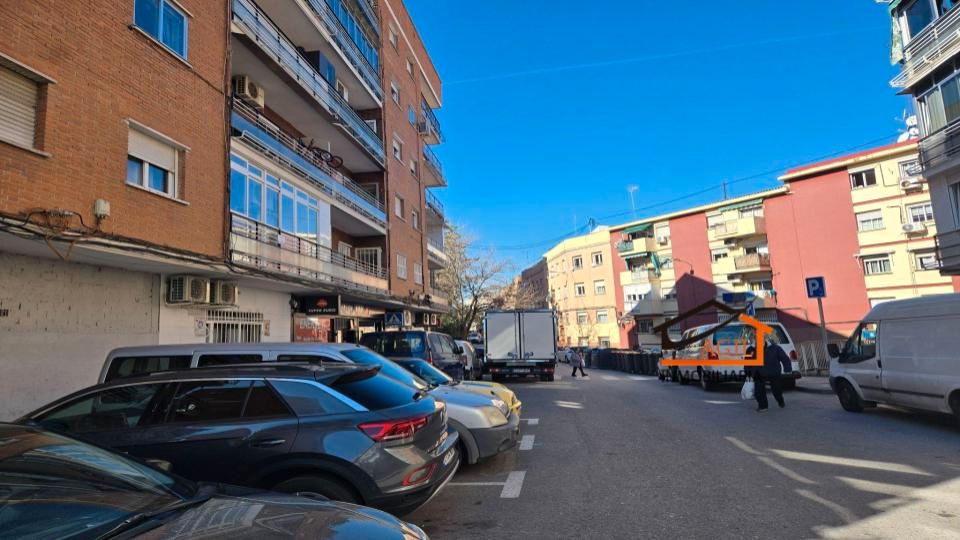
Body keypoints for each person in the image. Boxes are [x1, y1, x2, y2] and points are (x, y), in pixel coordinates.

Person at [748, 337, 792, 412]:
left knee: (777, 390)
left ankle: (780, 400)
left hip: (773, 372)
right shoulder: (750, 349)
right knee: (759, 391)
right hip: (759, 373)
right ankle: (763, 406)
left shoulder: (775, 348)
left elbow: (784, 358)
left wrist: (787, 369)